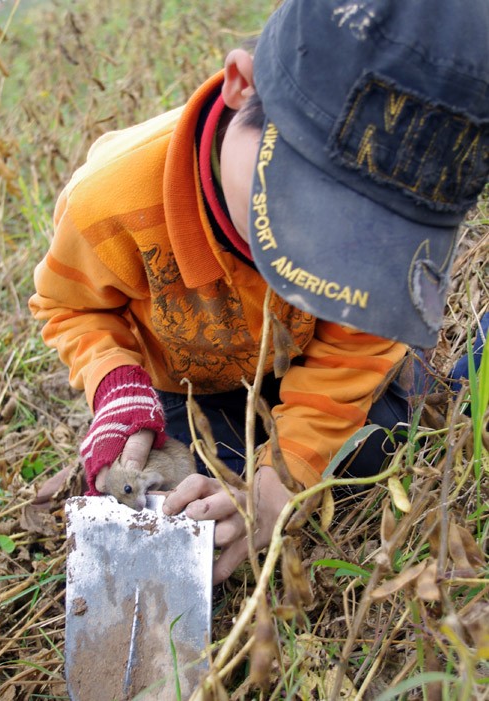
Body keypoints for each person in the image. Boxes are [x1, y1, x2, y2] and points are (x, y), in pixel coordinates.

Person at [30, 0, 489, 584]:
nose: (322, 252)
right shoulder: (109, 202)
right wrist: (118, 384)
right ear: (241, 87)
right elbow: (71, 307)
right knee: (188, 497)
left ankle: (450, 383)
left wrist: (281, 481)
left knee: (391, 440)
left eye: (367, 240)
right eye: (307, 204)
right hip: (197, 388)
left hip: (313, 366)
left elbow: (355, 346)